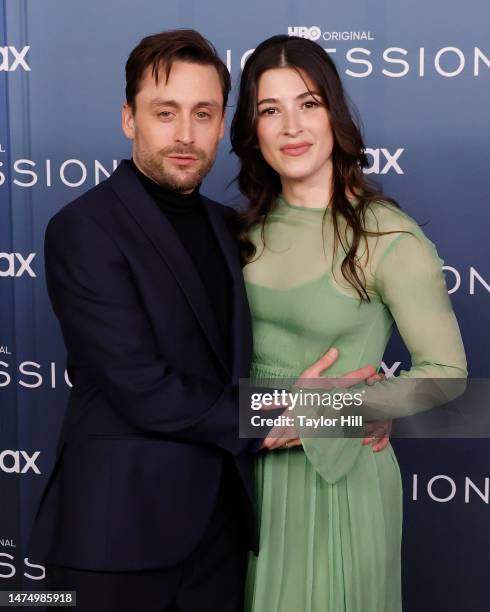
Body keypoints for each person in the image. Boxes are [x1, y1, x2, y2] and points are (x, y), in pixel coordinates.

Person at [27, 29, 389, 612]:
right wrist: (279, 413)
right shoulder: (85, 228)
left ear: (223, 124)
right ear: (129, 119)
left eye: (203, 113)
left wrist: (354, 407)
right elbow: (141, 387)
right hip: (118, 536)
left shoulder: (231, 228)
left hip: (223, 534)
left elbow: (286, 346)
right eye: (164, 113)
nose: (185, 134)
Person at [230, 35, 468, 611]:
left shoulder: (388, 236)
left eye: (308, 104)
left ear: (333, 114)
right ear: (252, 129)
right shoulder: (233, 233)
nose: (291, 126)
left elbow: (448, 373)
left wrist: (333, 411)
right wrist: (265, 416)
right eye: (270, 109)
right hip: (243, 478)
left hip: (336, 481)